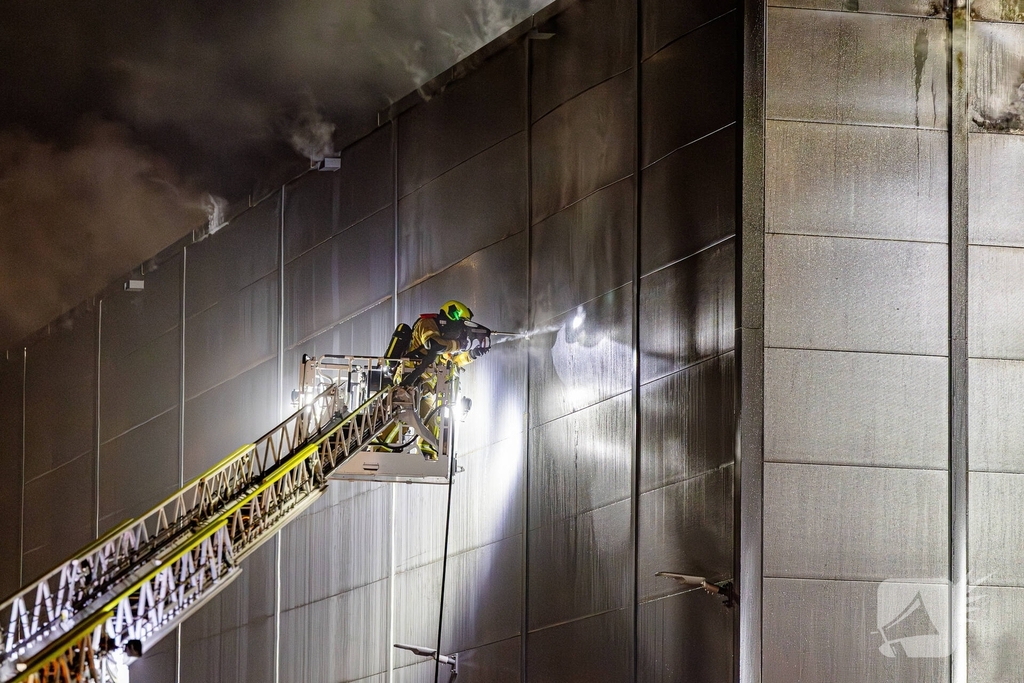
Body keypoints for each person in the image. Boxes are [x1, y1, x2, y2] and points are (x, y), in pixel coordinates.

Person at [382, 300, 490, 458]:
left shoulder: (446, 340)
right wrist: (458, 344)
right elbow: (432, 344)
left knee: (431, 419)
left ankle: (428, 451)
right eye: (460, 325)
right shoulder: (427, 323)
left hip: (427, 388)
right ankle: (382, 448)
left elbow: (451, 361)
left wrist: (471, 355)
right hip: (410, 380)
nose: (461, 332)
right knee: (402, 417)